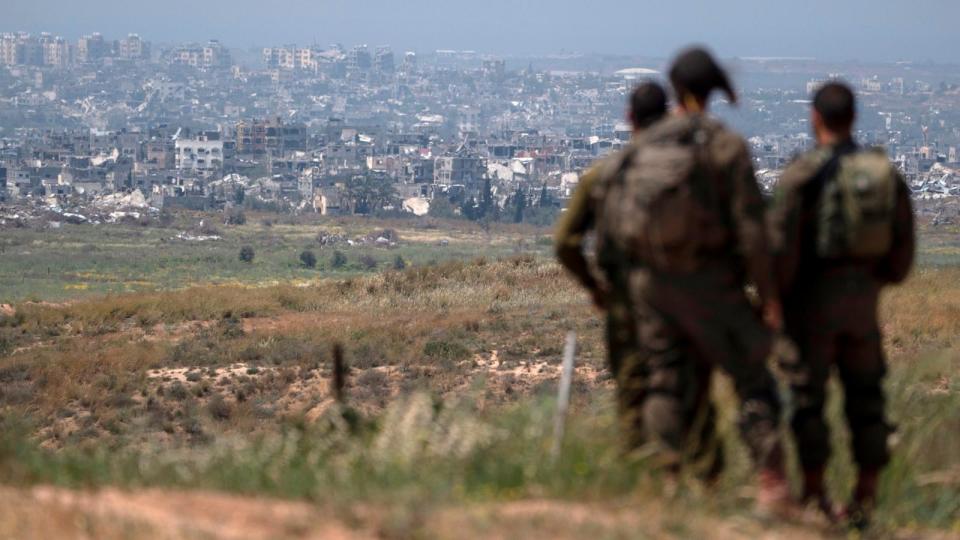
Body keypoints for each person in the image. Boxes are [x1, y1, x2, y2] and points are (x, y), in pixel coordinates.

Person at [591, 46, 790, 508]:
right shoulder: (723, 146)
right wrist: (769, 295)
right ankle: (772, 485)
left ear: (675, 89)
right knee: (752, 378)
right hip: (711, 285)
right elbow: (752, 232)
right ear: (714, 87)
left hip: (652, 288)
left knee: (664, 381)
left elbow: (612, 227)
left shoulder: (645, 146)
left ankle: (667, 483)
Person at [768, 82, 915, 528]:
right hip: (862, 303)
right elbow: (902, 253)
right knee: (867, 396)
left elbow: (780, 246)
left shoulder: (800, 175)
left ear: (815, 118)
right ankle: (864, 496)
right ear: (854, 118)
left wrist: (779, 298)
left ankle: (814, 494)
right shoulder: (882, 173)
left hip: (812, 304)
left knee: (808, 399)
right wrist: (873, 281)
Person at [556, 83, 712, 469]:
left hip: (627, 301)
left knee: (633, 391)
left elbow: (565, 242)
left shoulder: (606, 173)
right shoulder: (695, 172)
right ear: (668, 117)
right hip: (686, 299)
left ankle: (641, 476)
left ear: (630, 118)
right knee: (691, 390)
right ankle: (697, 475)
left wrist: (595, 288)